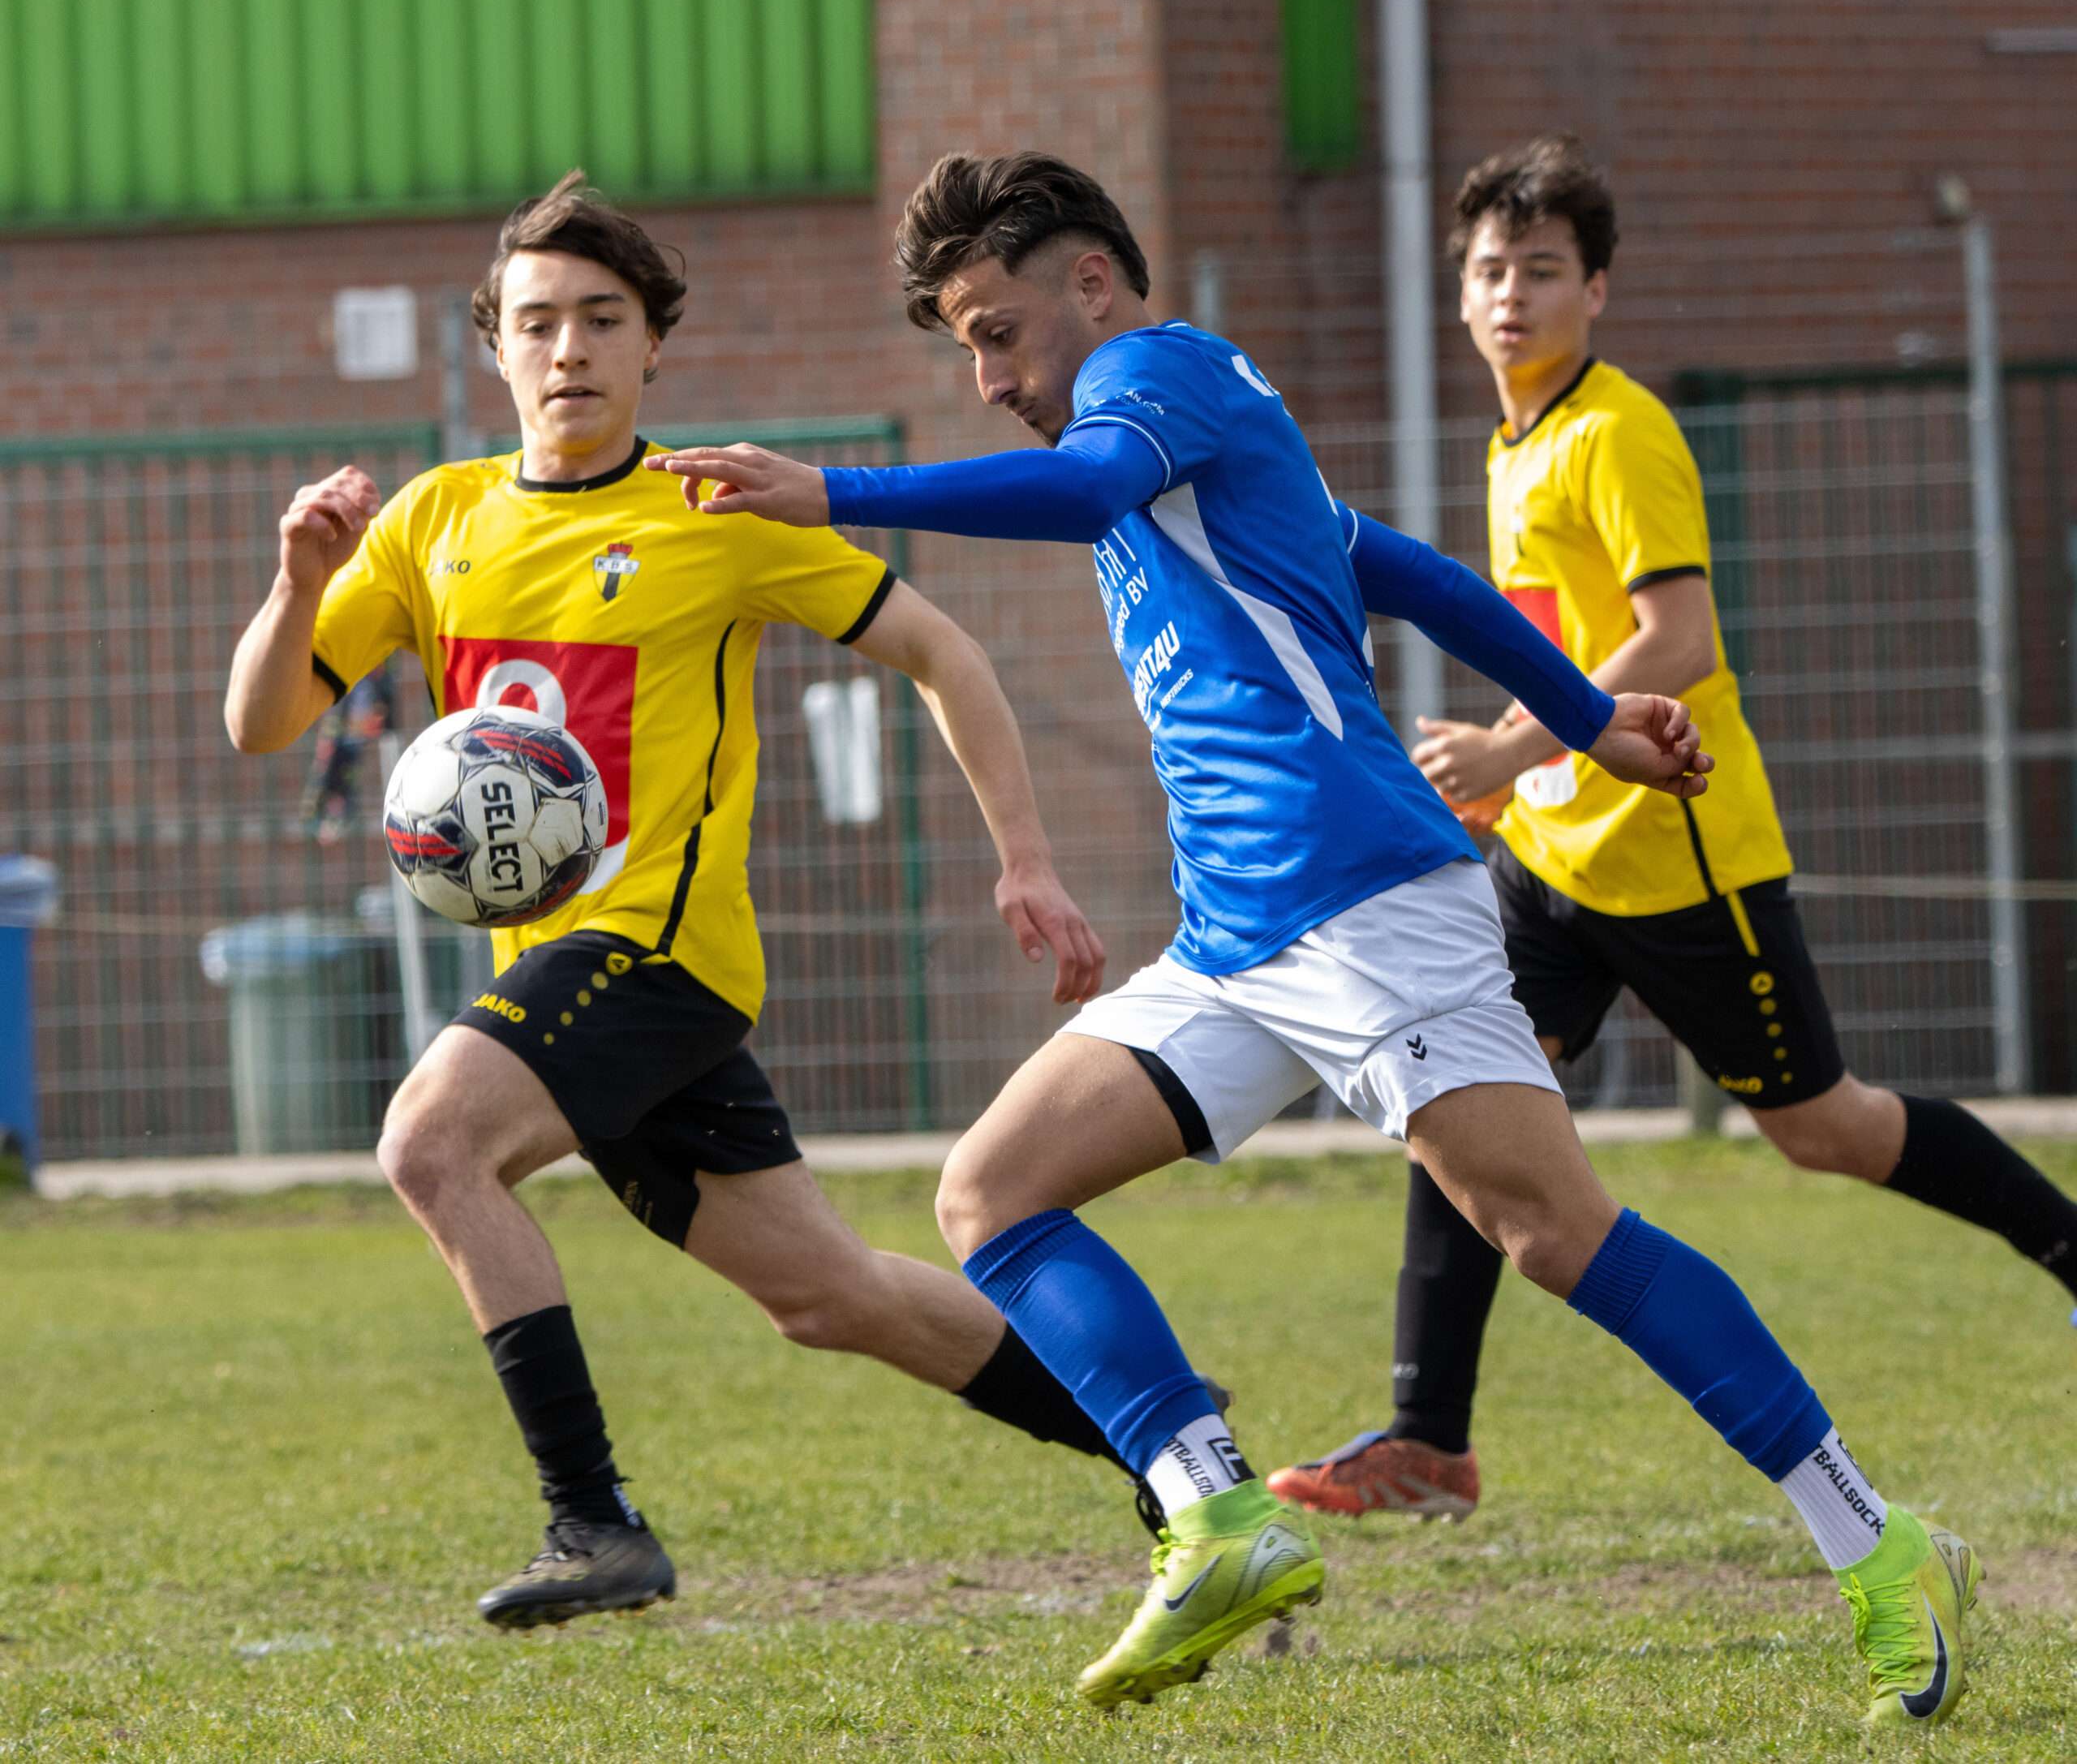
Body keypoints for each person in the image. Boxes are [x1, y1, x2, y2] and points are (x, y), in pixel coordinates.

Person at [647, 151, 1980, 1727]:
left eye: (996, 332)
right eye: (966, 349)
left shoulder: (1150, 378)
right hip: (1238, 932)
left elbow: (1085, 492)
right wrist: (1587, 719)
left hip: (1363, 899)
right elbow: (1403, 568)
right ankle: (1213, 1512)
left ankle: (1878, 1539)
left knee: (1555, 1232)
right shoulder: (1188, 427)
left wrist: (836, 490)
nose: (989, 378)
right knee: (991, 1192)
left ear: (1090, 284)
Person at [223, 170, 1165, 1632]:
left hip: (658, 957)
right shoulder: (431, 522)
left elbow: (946, 654)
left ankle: (592, 1520)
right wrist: (299, 581)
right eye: (539, 322)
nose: (570, 349)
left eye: (605, 319)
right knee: (832, 1295)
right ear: (496, 348)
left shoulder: (711, 509)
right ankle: (1180, 1447)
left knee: (431, 1141)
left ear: (654, 344)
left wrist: (1027, 857)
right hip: (562, 978)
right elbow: (261, 722)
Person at [1266, 136, 2077, 1542]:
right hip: (1554, 862)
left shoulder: (1617, 429)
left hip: (1681, 858)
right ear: (1458, 292)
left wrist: (1510, 746)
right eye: (1490, 270)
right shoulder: (1517, 441)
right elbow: (1571, 642)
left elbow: (1680, 639)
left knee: (1823, 1127)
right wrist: (1516, 777)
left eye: (1542, 270)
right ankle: (1427, 1437)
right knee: (1460, 1111)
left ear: (1597, 291)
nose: (1510, 294)